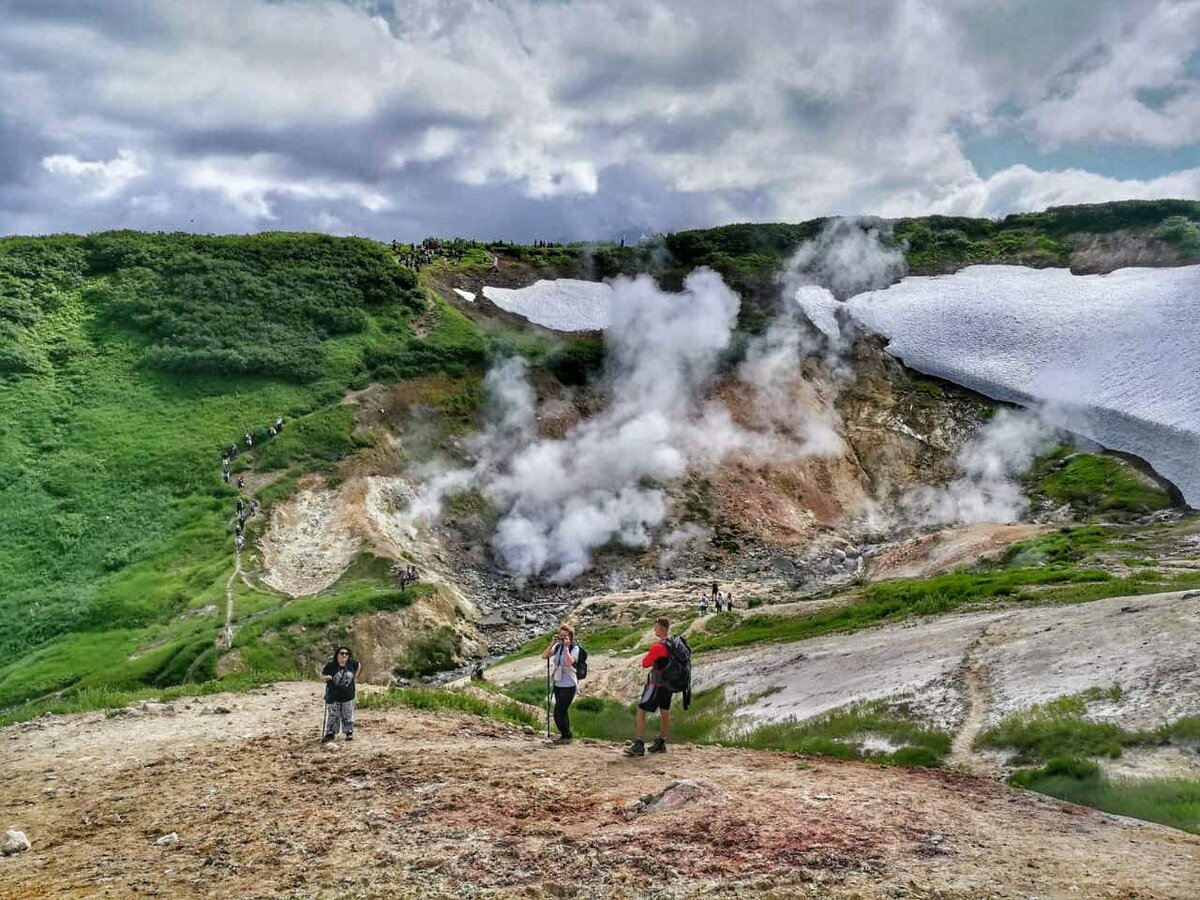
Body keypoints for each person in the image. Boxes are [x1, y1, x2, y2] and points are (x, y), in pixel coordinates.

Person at [625, 618, 675, 757]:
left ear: (661, 628)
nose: (654, 630)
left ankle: (639, 744)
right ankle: (661, 742)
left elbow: (645, 664)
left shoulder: (658, 647)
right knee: (665, 711)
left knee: (641, 710)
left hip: (656, 684)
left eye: (656, 627)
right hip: (669, 684)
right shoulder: (673, 643)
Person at [541, 624, 579, 745]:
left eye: (565, 636)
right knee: (563, 711)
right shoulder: (557, 647)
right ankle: (566, 736)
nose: (562, 638)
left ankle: (566, 735)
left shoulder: (575, 648)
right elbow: (544, 656)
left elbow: (569, 662)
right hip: (558, 683)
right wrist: (552, 644)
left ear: (570, 638)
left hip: (569, 684)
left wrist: (566, 648)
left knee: (558, 711)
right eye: (561, 636)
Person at [321, 647, 361, 742]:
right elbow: (322, 676)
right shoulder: (331, 666)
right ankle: (330, 733)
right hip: (334, 695)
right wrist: (326, 677)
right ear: (337, 655)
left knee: (348, 714)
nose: (344, 655)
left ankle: (349, 732)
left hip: (348, 695)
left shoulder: (351, 664)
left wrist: (356, 676)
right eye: (342, 653)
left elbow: (359, 665)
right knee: (333, 715)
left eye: (346, 654)